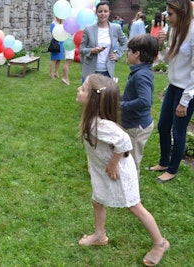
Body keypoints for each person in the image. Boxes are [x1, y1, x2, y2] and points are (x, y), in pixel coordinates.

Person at [76, 73, 170, 267]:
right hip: (102, 170)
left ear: (94, 100)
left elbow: (124, 141)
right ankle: (100, 235)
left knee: (134, 206)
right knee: (97, 200)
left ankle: (160, 243)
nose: (79, 89)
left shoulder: (100, 125)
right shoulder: (92, 118)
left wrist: (112, 164)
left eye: (83, 88)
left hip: (118, 172)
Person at [147, 0, 194, 182]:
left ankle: (172, 170)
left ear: (181, 13)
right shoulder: (174, 29)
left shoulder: (192, 32)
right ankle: (164, 162)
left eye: (170, 14)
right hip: (173, 85)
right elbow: (168, 60)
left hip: (187, 91)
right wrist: (162, 45)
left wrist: (185, 100)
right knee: (163, 126)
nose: (167, 17)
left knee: (178, 131)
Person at [121, 34, 159, 175]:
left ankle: (132, 195)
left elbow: (145, 101)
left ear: (136, 54)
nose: (127, 53)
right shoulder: (139, 71)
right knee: (125, 157)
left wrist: (121, 105)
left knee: (131, 162)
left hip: (137, 127)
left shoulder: (141, 75)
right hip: (131, 124)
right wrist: (114, 98)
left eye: (129, 51)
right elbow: (132, 95)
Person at [79, 1, 128, 81]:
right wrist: (92, 50)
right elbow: (81, 49)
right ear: (96, 13)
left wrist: (117, 55)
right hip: (90, 71)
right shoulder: (89, 29)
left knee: (105, 93)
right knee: (89, 93)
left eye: (105, 11)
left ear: (109, 13)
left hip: (107, 72)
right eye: (100, 11)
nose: (103, 14)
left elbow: (126, 42)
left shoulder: (116, 28)